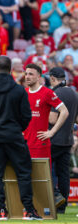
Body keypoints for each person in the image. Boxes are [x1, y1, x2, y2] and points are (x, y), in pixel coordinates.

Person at [0, 56, 42, 221]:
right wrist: (17, 128)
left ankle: (1, 210)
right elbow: (26, 116)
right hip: (14, 135)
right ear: (11, 69)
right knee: (23, 172)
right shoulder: (19, 90)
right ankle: (28, 210)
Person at [23, 64, 69, 162]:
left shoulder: (47, 93)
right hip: (24, 143)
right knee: (25, 176)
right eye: (26, 74)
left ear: (39, 77)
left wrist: (52, 132)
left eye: (31, 74)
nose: (27, 76)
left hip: (40, 144)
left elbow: (64, 111)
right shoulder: (24, 92)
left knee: (41, 176)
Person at [48, 67, 78, 213]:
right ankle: (62, 206)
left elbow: (53, 119)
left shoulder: (55, 92)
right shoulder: (73, 93)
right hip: (68, 139)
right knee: (64, 174)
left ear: (53, 78)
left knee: (44, 169)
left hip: (54, 139)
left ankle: (55, 194)